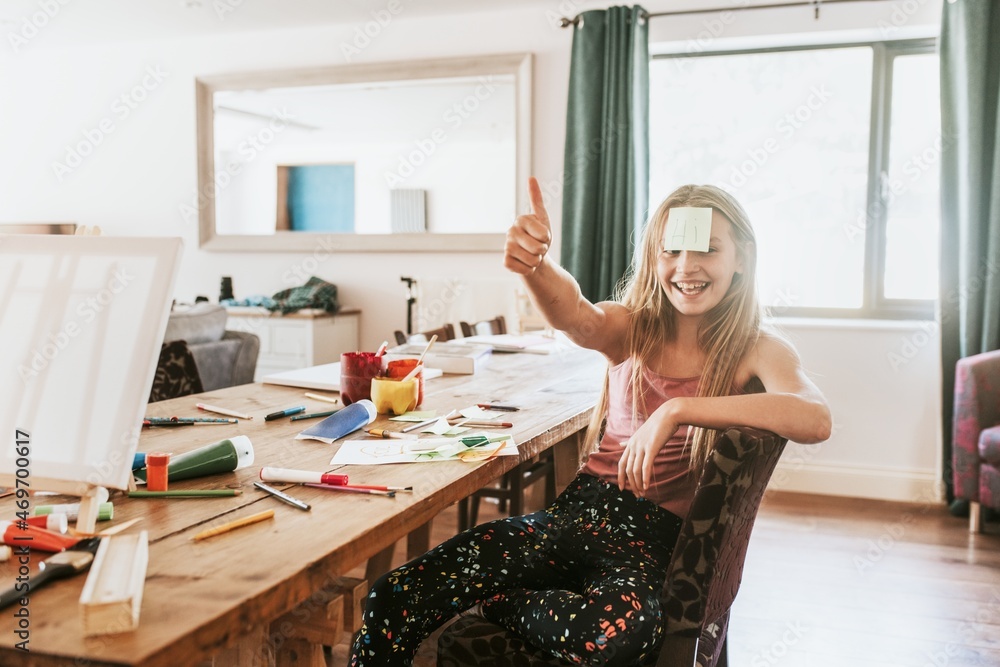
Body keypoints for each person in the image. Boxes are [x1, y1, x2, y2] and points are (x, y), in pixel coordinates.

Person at [351, 178, 831, 666]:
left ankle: (501, 601)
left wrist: (679, 409)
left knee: (616, 632)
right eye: (672, 251)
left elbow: (813, 417)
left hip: (651, 540)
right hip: (576, 514)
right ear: (654, 256)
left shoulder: (755, 346)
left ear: (741, 258)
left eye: (707, 249)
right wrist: (538, 268)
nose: (687, 267)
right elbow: (576, 314)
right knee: (391, 596)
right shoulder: (632, 326)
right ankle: (497, 599)